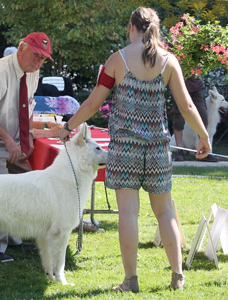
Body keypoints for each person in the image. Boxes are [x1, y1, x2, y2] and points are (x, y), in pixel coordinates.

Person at [59, 7, 211, 292]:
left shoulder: (117, 60)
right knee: (165, 212)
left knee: (128, 213)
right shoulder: (169, 61)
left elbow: (92, 104)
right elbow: (187, 106)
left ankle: (130, 280)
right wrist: (204, 137)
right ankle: (177, 277)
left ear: (131, 26)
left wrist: (68, 127)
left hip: (124, 149)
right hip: (157, 149)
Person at [0, 32, 53, 262]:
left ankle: (14, 235)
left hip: (9, 140)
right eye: (35, 55)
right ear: (22, 48)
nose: (37, 62)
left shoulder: (32, 73)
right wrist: (8, 139)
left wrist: (29, 135)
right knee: (2, 190)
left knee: (28, 187)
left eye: (42, 58)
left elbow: (28, 106)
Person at [172, 75, 218, 162]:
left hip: (197, 87)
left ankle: (203, 151)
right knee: (178, 119)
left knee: (203, 117)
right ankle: (179, 151)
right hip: (178, 86)